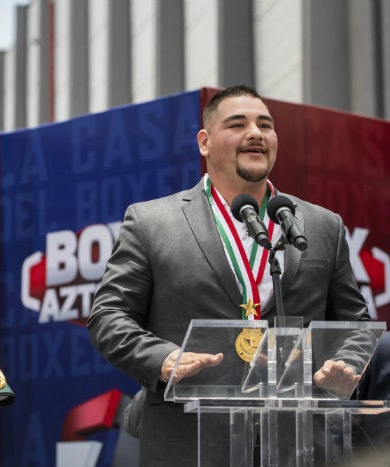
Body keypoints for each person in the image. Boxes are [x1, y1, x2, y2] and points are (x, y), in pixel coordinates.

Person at [87, 84, 370, 467]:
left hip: (298, 441)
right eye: (237, 124)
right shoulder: (152, 222)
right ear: (204, 141)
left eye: (265, 125)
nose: (255, 133)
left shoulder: (321, 225)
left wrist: (346, 367)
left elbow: (355, 323)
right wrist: (164, 358)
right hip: (187, 438)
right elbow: (109, 316)